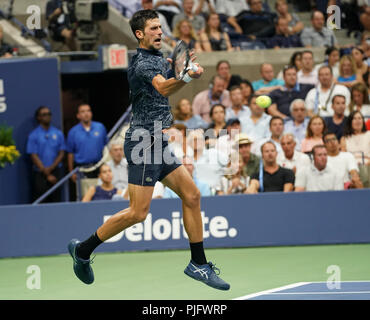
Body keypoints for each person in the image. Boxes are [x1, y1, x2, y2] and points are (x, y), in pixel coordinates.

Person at [67, 10, 230, 290]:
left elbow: (166, 86)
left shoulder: (156, 59)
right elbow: (164, 89)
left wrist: (182, 73)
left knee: (191, 195)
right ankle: (83, 250)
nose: (159, 32)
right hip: (144, 143)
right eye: (153, 28)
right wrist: (187, 77)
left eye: (160, 27)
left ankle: (198, 264)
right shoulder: (143, 63)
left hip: (159, 142)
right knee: (137, 213)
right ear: (140, 34)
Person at [26, 106, 66, 202]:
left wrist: (51, 168)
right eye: (44, 114)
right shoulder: (34, 135)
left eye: (49, 114)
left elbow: (61, 153)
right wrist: (45, 172)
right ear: (38, 117)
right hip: (40, 173)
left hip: (56, 171)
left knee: (57, 199)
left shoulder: (58, 133)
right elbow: (33, 154)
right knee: (41, 200)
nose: (47, 116)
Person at [66, 104, 108, 181]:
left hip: (99, 167)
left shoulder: (100, 127)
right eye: (83, 111)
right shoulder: (73, 132)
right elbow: (70, 153)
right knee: (84, 193)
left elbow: (107, 147)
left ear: (91, 113)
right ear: (78, 115)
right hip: (82, 169)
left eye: (88, 111)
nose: (86, 113)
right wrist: (71, 172)